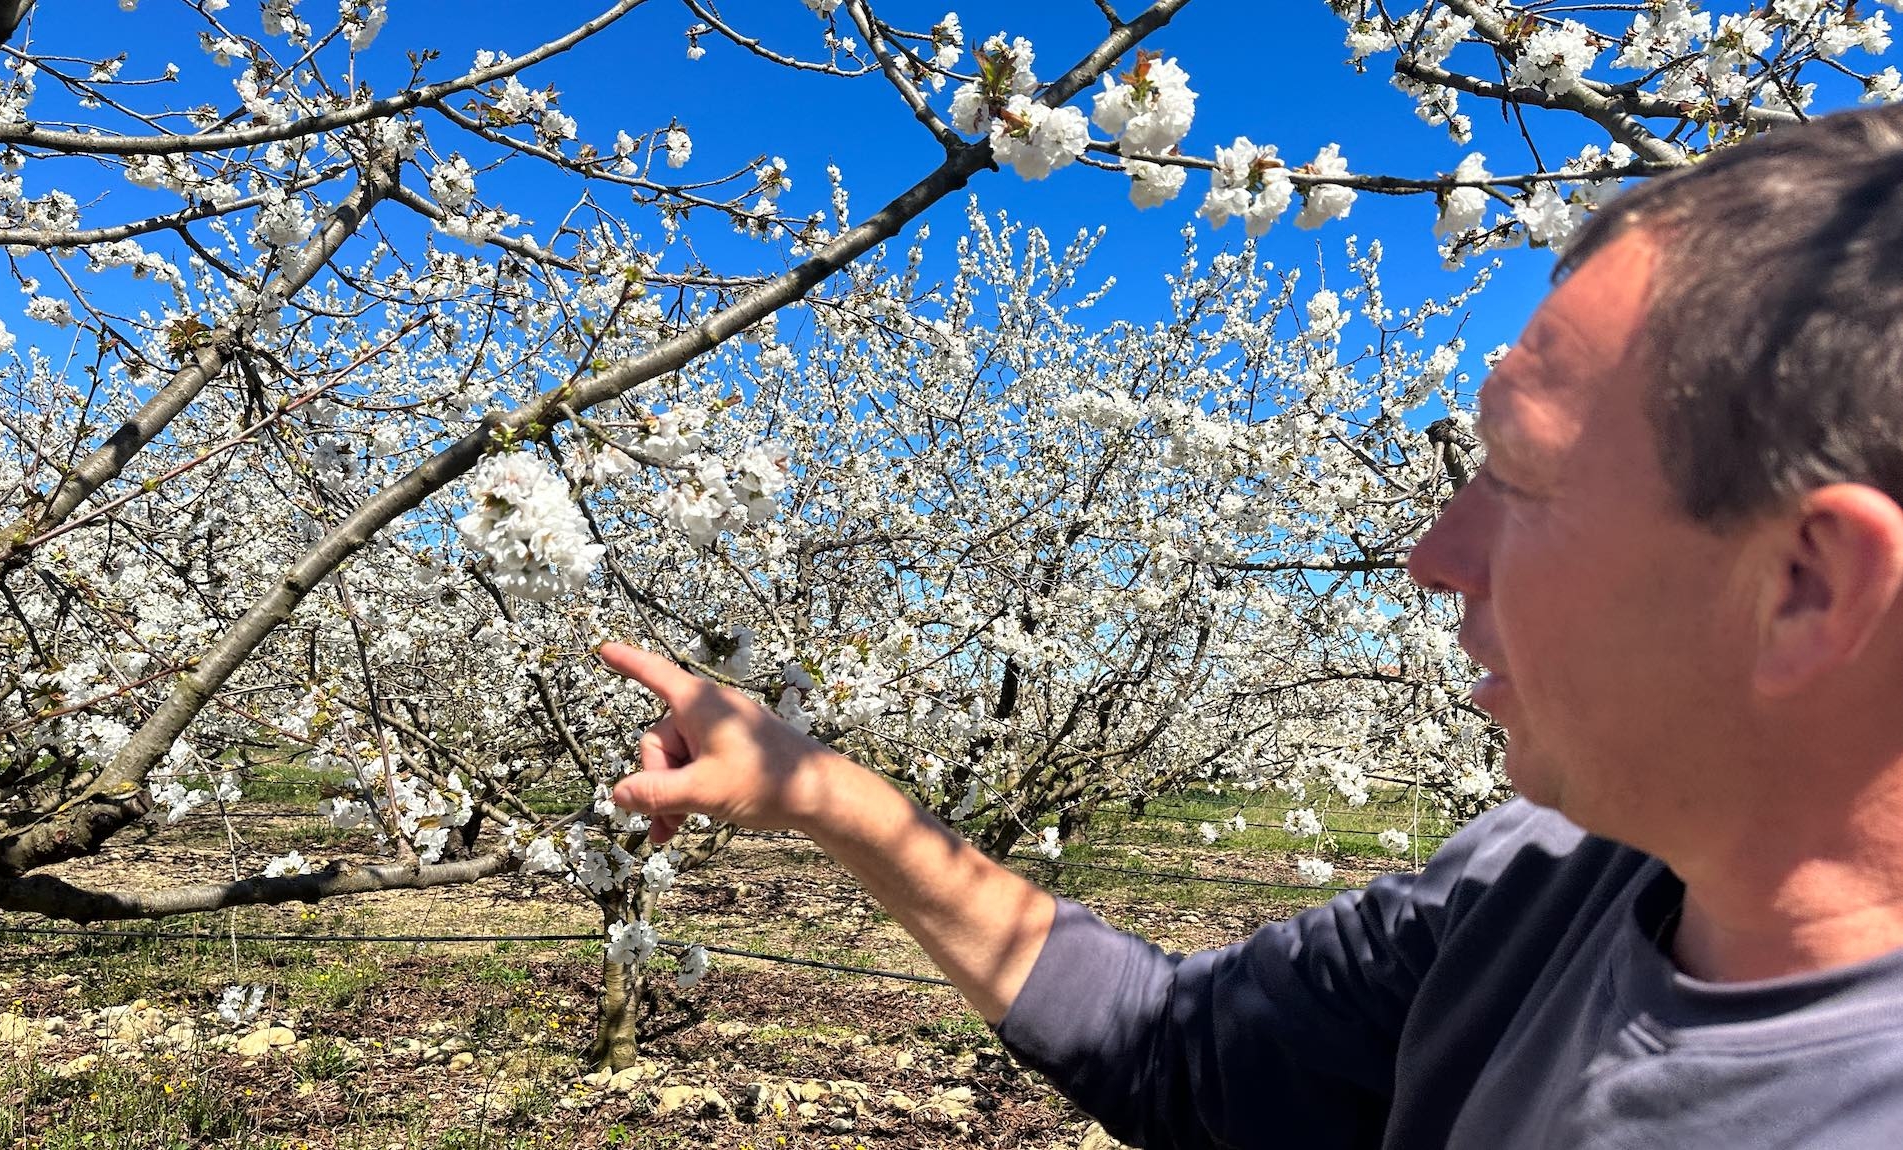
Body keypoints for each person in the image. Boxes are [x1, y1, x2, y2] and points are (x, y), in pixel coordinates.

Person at [598, 105, 1903, 1148]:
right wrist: (828, 794)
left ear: (1804, 582)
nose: (1434, 555)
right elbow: (1175, 1047)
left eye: (1515, 471)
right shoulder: (1533, 883)